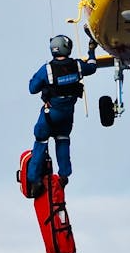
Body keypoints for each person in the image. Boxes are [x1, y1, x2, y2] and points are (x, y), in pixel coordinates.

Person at [26, 34, 97, 198]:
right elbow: (92, 67)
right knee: (63, 141)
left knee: (40, 142)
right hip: (67, 115)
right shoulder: (78, 66)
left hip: (50, 114)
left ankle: (34, 181)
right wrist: (91, 51)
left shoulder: (47, 69)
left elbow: (32, 88)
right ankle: (64, 176)